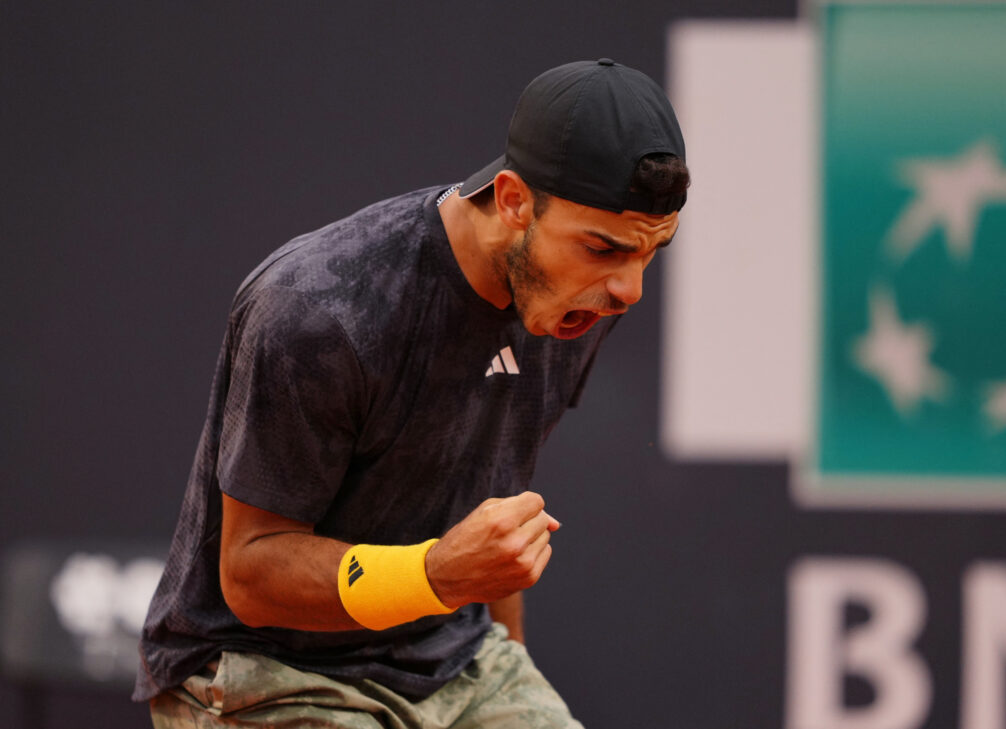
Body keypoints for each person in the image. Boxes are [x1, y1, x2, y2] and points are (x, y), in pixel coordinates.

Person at [134, 58, 689, 728]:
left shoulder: (573, 300)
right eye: (604, 248)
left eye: (650, 251)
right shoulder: (320, 308)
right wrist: (436, 575)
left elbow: (493, 508)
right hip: (263, 669)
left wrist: (510, 679)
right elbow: (250, 574)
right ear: (513, 200)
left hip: (451, 654)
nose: (630, 290)